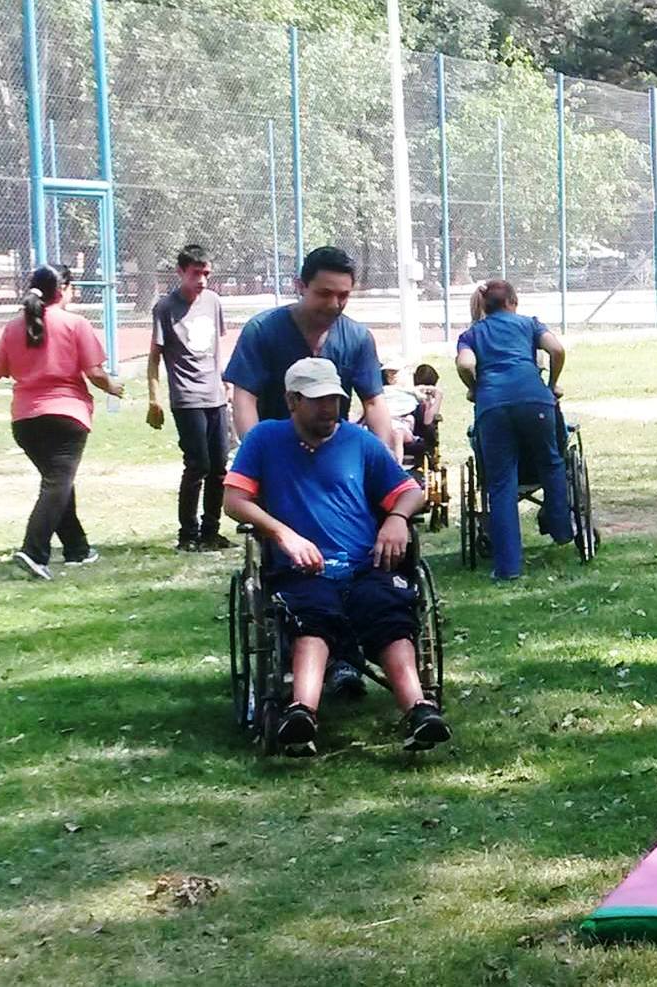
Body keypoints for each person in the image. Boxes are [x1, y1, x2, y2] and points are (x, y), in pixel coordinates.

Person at [222, 357, 449, 755]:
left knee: (389, 614)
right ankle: (301, 712)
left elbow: (410, 490)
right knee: (314, 618)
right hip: (300, 570)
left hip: (366, 564)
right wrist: (282, 534)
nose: (330, 409)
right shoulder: (264, 440)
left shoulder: (359, 443)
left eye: (335, 399)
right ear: (292, 400)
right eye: (318, 400)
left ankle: (419, 709)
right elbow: (234, 500)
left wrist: (396, 517)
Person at [0, 265, 124, 580]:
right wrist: (113, 387)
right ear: (64, 289)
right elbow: (95, 373)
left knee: (57, 482)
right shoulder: (76, 324)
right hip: (66, 417)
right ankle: (34, 551)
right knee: (57, 484)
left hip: (25, 422)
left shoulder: (13, 328)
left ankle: (77, 549)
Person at [455, 279, 572, 580]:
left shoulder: (472, 334)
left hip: (493, 407)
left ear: (485, 305)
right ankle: (561, 528)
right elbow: (556, 349)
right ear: (513, 302)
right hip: (536, 401)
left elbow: (465, 365)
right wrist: (551, 384)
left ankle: (508, 567)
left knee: (501, 483)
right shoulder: (528, 324)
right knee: (552, 461)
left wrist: (476, 388)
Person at [223, 246, 393, 448]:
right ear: (301, 286)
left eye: (343, 296)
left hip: (332, 457)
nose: (333, 304)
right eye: (324, 294)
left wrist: (384, 460)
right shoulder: (262, 331)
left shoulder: (358, 338)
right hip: (276, 451)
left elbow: (373, 402)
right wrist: (257, 456)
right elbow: (245, 399)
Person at [145, 244, 232, 552]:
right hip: (187, 398)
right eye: (196, 273)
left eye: (206, 273)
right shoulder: (166, 308)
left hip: (215, 397)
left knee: (220, 466)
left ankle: (211, 531)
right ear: (180, 272)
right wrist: (154, 398)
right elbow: (154, 358)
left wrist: (226, 385)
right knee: (198, 465)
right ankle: (188, 534)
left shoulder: (213, 302)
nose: (202, 280)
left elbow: (215, 351)